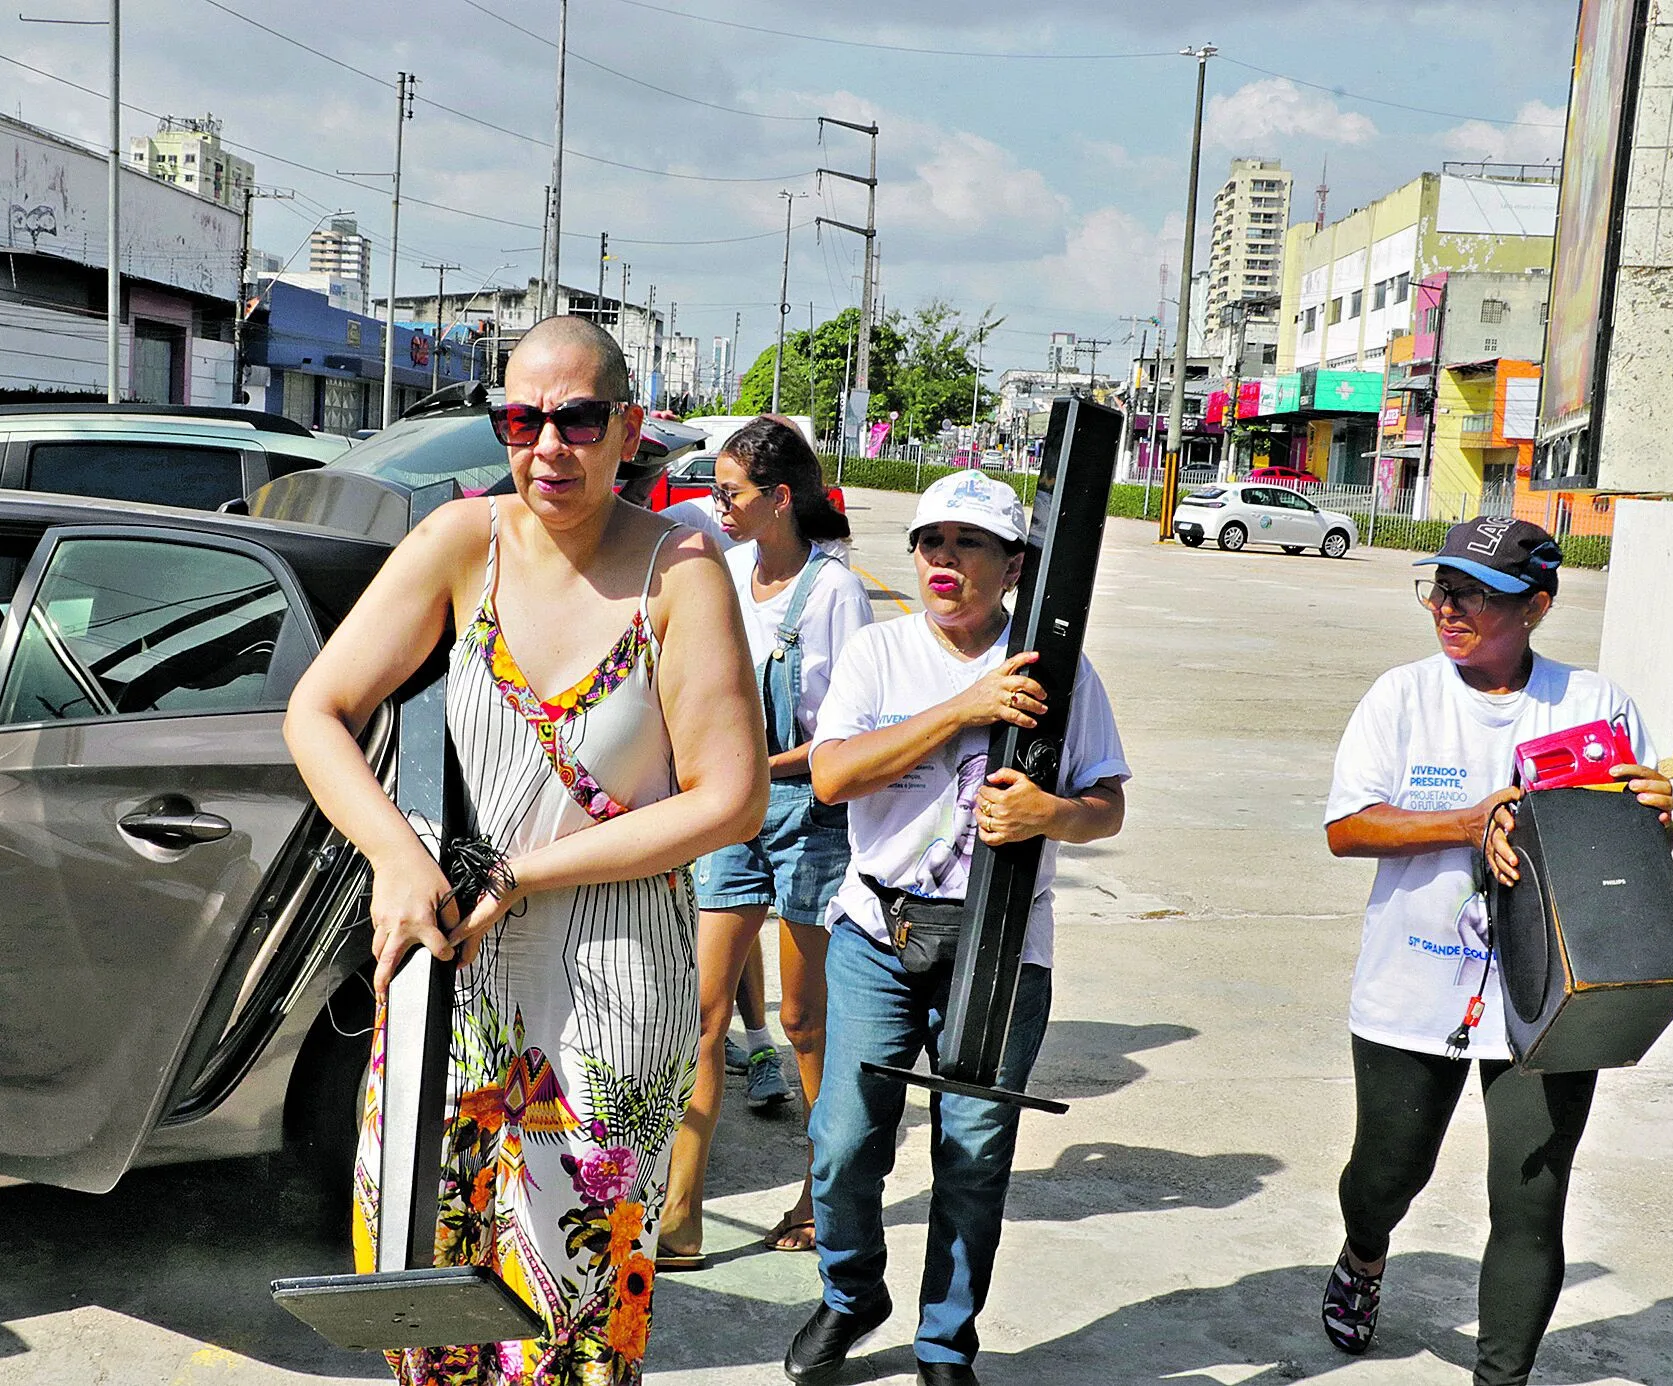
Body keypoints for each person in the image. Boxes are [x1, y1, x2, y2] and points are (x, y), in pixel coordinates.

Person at [283, 315, 767, 1386]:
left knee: (574, 1318)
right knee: (423, 1286)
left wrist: (523, 872)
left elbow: (731, 800)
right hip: (454, 979)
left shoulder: (680, 570)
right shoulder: (464, 542)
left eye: (579, 418)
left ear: (629, 428)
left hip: (612, 980)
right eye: (521, 417)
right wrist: (400, 861)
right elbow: (317, 712)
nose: (549, 444)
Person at [785, 472, 1129, 1386]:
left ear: (1014, 567)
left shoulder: (1058, 672)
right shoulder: (879, 652)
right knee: (845, 1138)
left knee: (972, 1151)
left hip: (1002, 940)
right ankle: (852, 1292)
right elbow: (833, 777)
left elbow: (1106, 807)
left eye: (968, 544)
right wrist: (963, 711)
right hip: (877, 931)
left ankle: (945, 1342)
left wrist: (1050, 813)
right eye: (931, 541)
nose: (943, 560)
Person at [1319, 516, 1673, 1384]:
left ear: (1538, 606)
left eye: (1477, 595)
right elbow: (1345, 829)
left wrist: (1651, 819)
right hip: (1414, 984)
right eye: (1440, 589)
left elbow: (1626, 856)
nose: (1449, 608)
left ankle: (1500, 1376)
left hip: (1552, 993)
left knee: (1529, 1202)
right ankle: (1363, 1256)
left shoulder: (1592, 704)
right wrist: (1470, 821)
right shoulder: (1402, 697)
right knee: (1384, 1176)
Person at [657, 416, 873, 1269]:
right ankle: (680, 1211)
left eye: (731, 494)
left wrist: (745, 763)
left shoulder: (834, 593)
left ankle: (823, 1190)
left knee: (801, 1019)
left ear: (780, 499)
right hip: (729, 819)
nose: (719, 507)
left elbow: (847, 739)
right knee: (703, 1018)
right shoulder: (727, 573)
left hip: (809, 821)